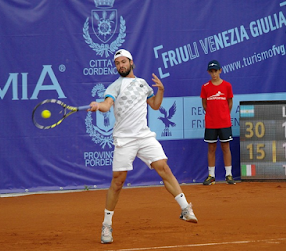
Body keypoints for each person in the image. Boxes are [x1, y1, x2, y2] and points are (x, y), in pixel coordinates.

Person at [88, 49, 198, 244]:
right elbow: (107, 105)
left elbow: (154, 105)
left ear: (131, 62)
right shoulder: (115, 86)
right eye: (117, 63)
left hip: (144, 136)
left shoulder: (143, 84)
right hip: (124, 138)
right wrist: (98, 105)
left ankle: (185, 208)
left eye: (123, 62)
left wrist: (161, 91)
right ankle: (107, 224)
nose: (120, 65)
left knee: (163, 167)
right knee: (118, 182)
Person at [200, 60, 235, 186]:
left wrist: (224, 114)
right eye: (211, 71)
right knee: (211, 148)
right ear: (209, 72)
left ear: (220, 70)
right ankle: (211, 175)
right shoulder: (205, 87)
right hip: (210, 123)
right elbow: (204, 104)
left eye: (216, 71)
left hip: (224, 122)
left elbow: (230, 102)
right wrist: (211, 114)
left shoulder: (227, 86)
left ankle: (228, 174)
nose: (214, 74)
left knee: (226, 147)